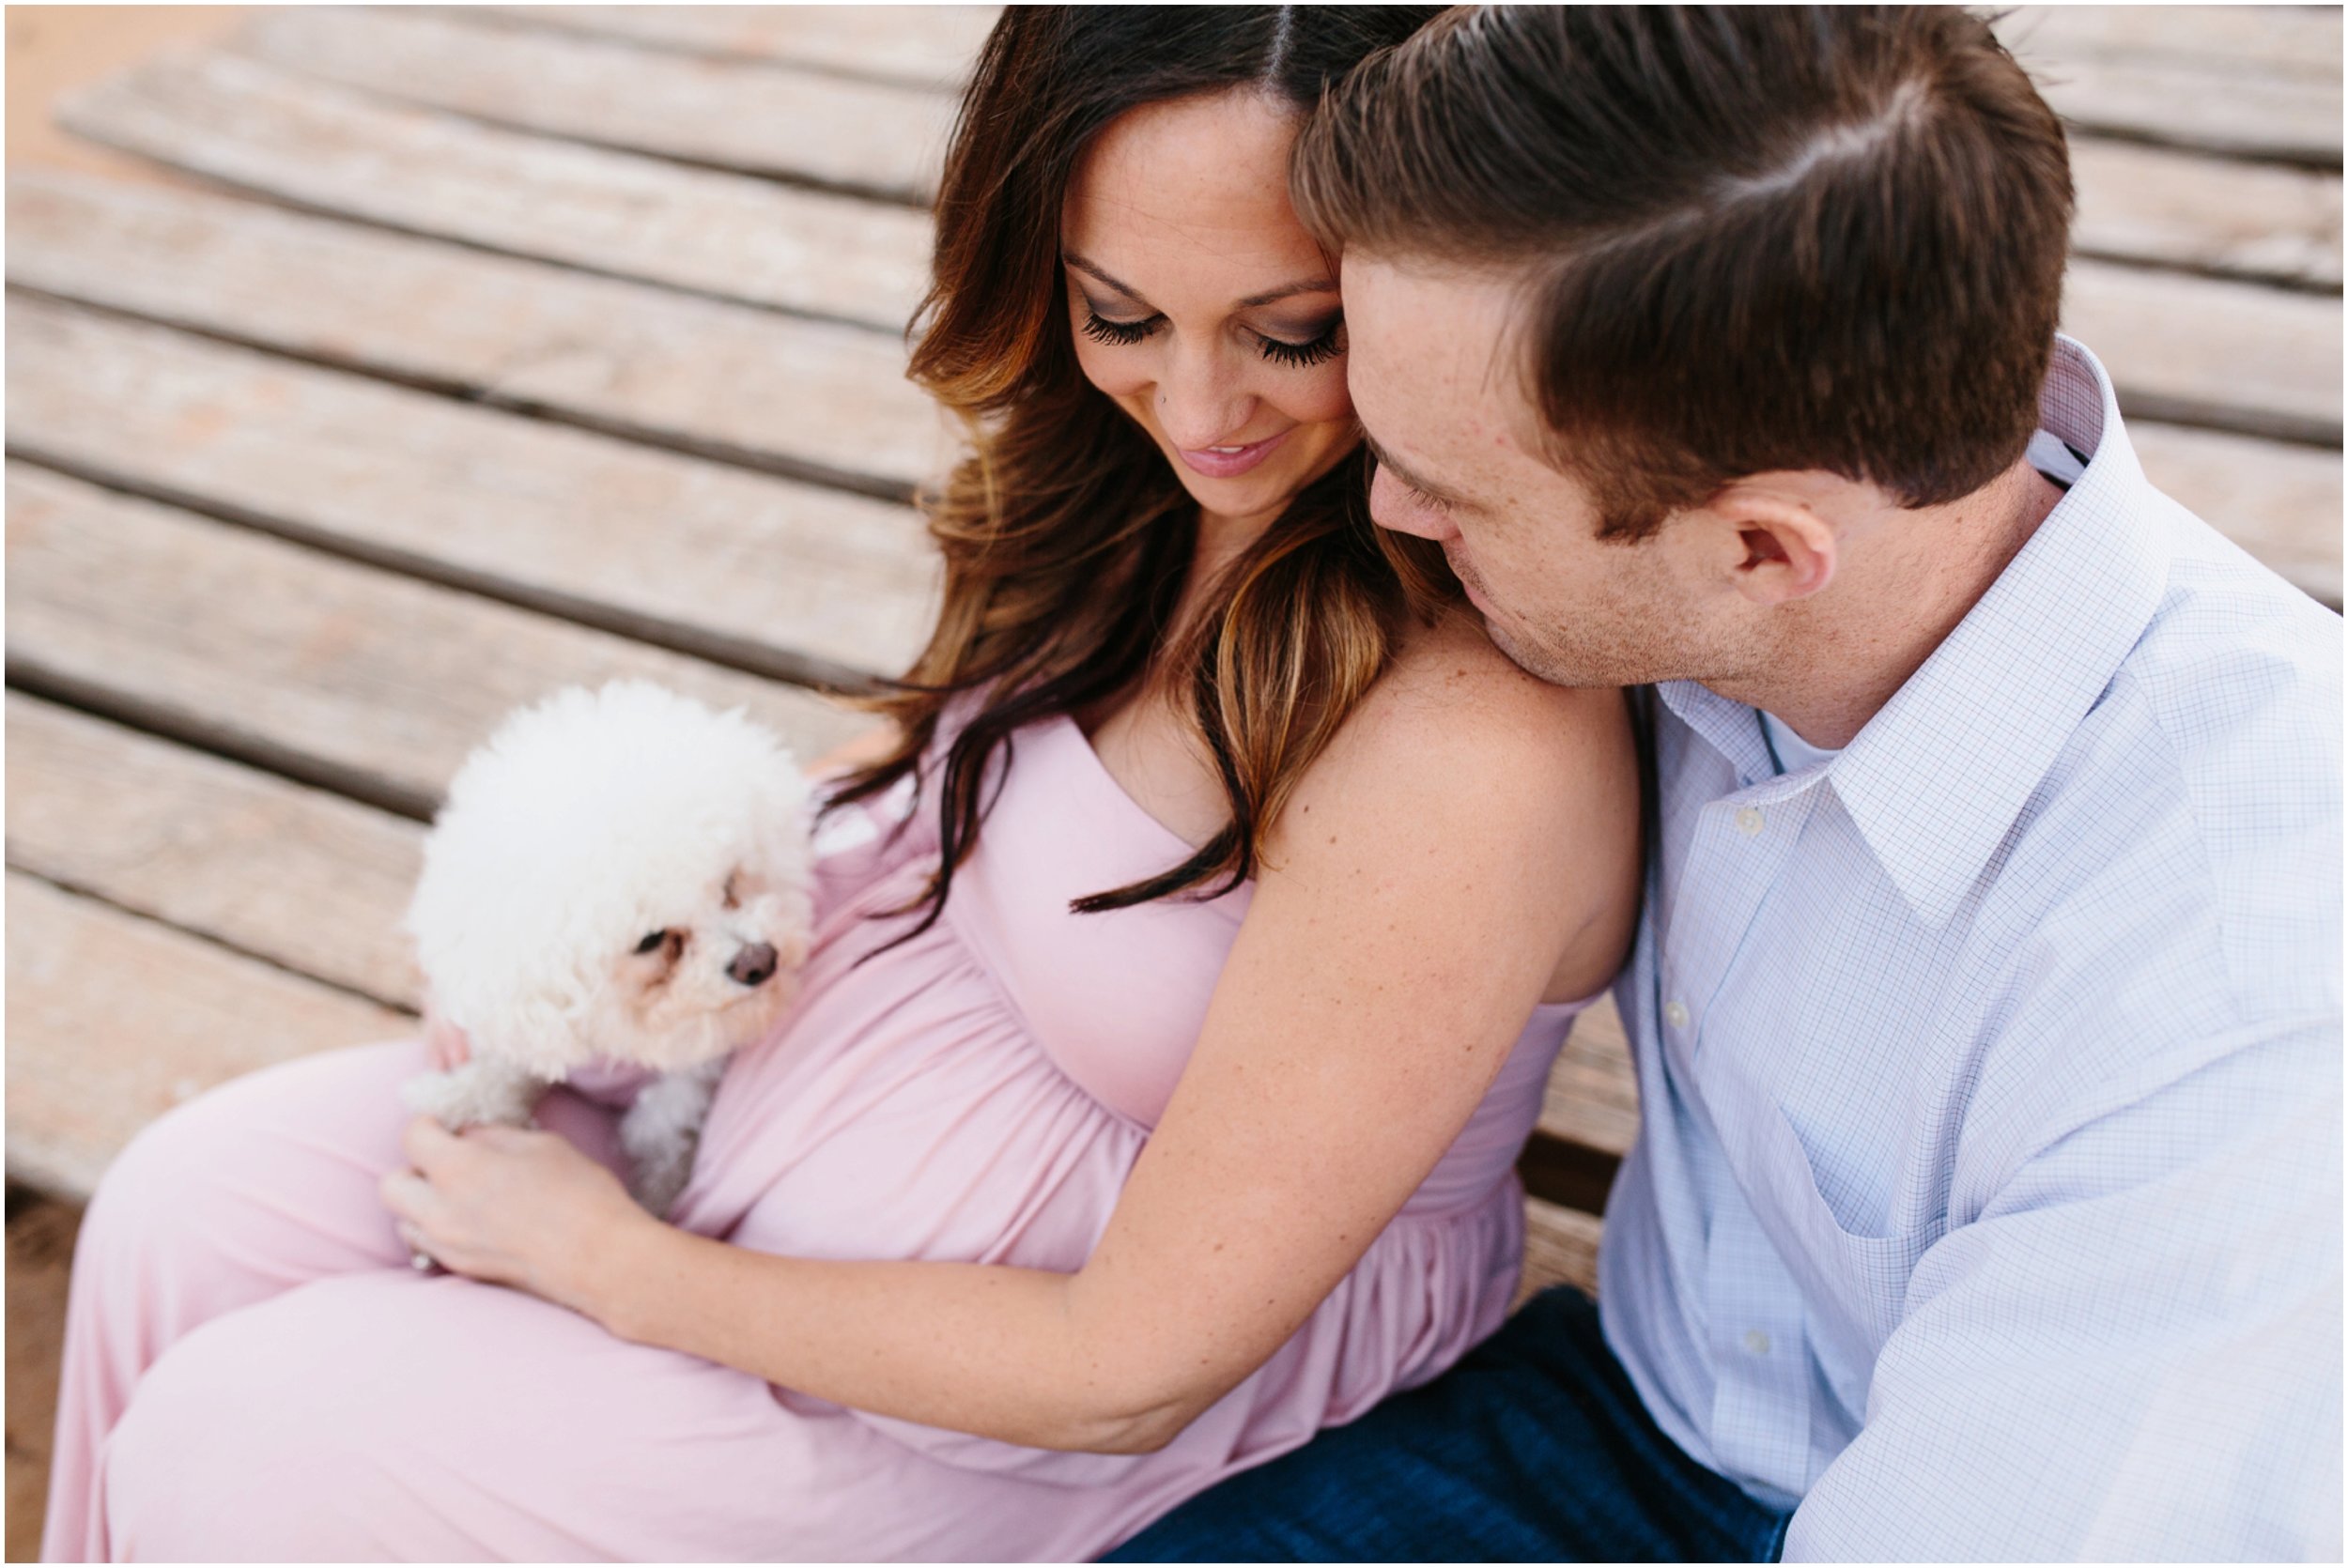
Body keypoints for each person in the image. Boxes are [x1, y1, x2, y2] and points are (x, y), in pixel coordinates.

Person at [39, 8, 1644, 1561]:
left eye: (1294, 334)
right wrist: (597, 952)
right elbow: (943, 768)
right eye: (1121, 314)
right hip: (723, 1126)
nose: (1203, 409)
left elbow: (1123, 1365)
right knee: (188, 1209)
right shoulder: (1140, 497)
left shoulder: (1464, 735)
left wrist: (611, 1264)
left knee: (239, 1447)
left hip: (997, 1414)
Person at [1114, 7, 2344, 1561]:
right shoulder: (1762, 538)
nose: (1388, 506)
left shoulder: (2241, 1012)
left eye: (1459, 489)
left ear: (1765, 550)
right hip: (1631, 1408)